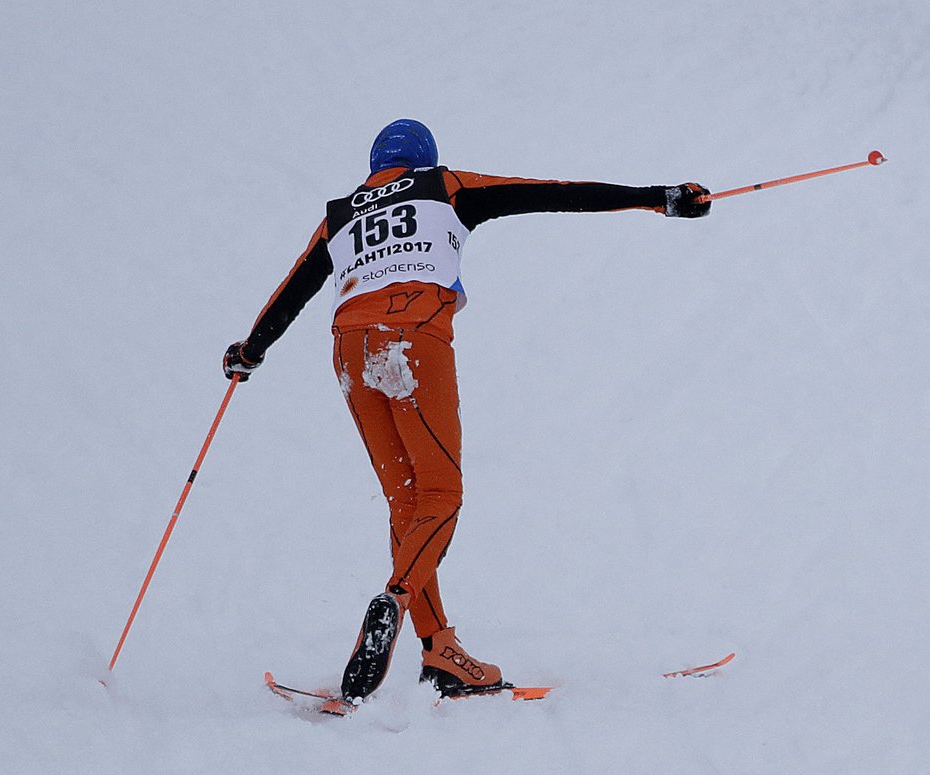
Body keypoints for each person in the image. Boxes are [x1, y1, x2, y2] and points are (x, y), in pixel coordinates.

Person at [224, 118, 710, 706]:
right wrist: (658, 200)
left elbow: (294, 286)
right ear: (426, 161)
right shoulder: (445, 187)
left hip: (350, 348)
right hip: (413, 338)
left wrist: (251, 351)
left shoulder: (341, 214)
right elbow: (554, 194)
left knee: (408, 499)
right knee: (441, 493)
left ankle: (441, 653)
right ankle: (396, 600)